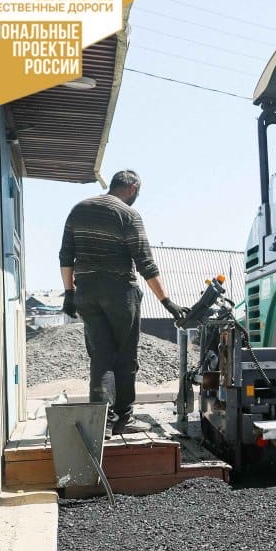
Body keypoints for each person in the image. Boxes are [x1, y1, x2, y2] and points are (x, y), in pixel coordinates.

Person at [58, 170, 187, 435]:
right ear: (132, 187)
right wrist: (167, 302)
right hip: (119, 292)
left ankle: (101, 424)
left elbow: (65, 255)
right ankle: (124, 420)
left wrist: (69, 293)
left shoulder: (79, 209)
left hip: (87, 292)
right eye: (138, 191)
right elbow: (145, 263)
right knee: (125, 358)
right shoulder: (127, 214)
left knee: (101, 357)